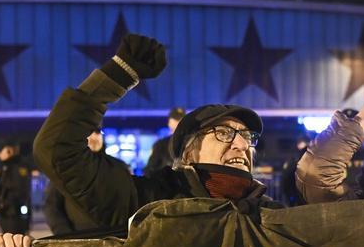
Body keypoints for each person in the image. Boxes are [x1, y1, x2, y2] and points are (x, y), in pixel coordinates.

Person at [34, 33, 277, 231]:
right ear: (189, 154)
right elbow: (56, 150)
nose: (242, 145)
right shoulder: (150, 204)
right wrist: (117, 75)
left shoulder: (271, 215)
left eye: (246, 136)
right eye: (224, 133)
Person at [43, 128, 106, 236]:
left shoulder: (116, 167)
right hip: (78, 241)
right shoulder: (65, 168)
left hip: (111, 242)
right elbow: (52, 206)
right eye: (89, 132)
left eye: (97, 132)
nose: (94, 137)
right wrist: (66, 236)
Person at [0, 138, 33, 235]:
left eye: (1, 151)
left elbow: (21, 188)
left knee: (17, 238)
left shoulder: (18, 165)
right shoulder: (3, 166)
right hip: (6, 210)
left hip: (14, 210)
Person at [144, 107, 186, 174]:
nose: (178, 122)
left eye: (180, 119)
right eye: (175, 119)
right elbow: (149, 170)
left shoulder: (192, 142)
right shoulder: (161, 145)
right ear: (169, 123)